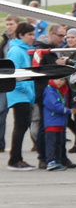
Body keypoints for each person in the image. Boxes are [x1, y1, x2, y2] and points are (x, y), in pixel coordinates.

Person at [5, 22, 37, 170]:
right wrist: (25, 90)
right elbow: (13, 74)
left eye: (33, 34)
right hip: (19, 95)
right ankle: (14, 159)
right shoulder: (16, 50)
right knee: (20, 127)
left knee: (22, 127)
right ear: (21, 35)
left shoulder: (24, 50)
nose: (33, 37)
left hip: (24, 94)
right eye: (29, 35)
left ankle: (17, 158)